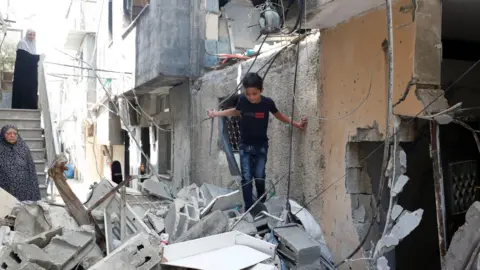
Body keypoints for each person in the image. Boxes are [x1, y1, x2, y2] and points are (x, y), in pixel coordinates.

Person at [208, 72, 308, 211]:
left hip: (261, 146)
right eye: (248, 94)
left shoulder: (267, 103)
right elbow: (236, 111)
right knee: (247, 177)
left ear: (261, 90)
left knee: (260, 176)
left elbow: (280, 116)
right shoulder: (243, 100)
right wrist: (216, 114)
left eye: (254, 94)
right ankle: (249, 209)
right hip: (244, 146)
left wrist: (297, 124)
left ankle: (262, 201)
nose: (251, 97)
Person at [0, 125, 41, 201]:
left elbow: (31, 168)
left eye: (15, 133)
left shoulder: (23, 148)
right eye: (9, 133)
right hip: (4, 189)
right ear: (3, 134)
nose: (12, 135)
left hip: (24, 189)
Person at [12, 29, 41, 110]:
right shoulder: (22, 43)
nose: (32, 36)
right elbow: (25, 57)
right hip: (22, 73)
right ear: (26, 35)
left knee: (31, 89)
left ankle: (30, 106)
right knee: (22, 90)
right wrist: (38, 57)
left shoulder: (34, 45)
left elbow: (31, 58)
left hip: (30, 74)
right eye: (30, 34)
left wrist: (36, 58)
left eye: (33, 35)